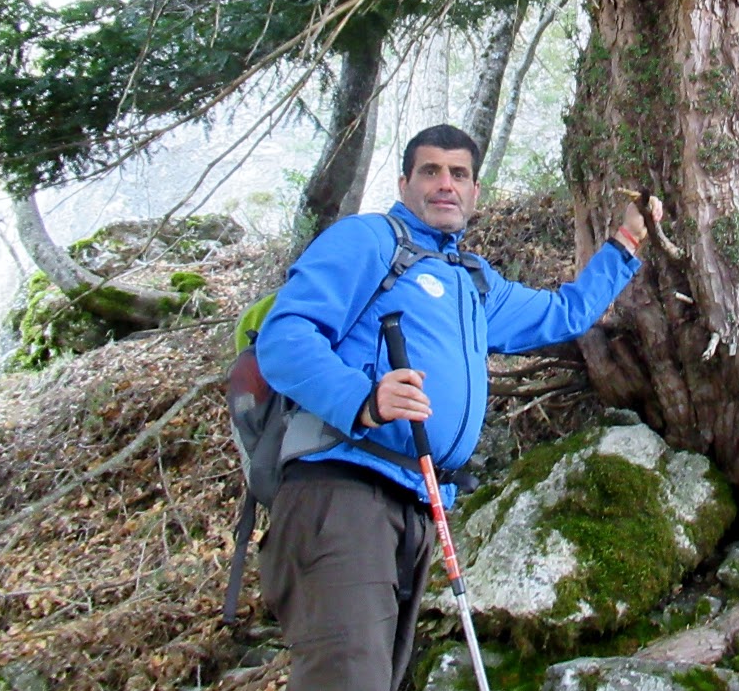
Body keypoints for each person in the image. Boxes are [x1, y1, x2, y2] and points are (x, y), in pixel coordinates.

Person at [254, 123, 658, 690]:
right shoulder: (369, 241)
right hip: (343, 494)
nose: (446, 183)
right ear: (404, 184)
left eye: (459, 174)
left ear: (474, 192)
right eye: (430, 171)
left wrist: (627, 241)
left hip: (418, 505)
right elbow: (285, 337)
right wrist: (362, 399)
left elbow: (562, 314)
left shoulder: (471, 281)